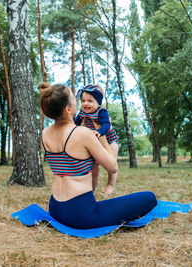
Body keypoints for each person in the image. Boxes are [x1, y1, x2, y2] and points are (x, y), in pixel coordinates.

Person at [38, 81, 157, 229]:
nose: (78, 100)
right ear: (68, 109)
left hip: (55, 209)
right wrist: (101, 134)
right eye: (75, 99)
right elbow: (112, 167)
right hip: (80, 215)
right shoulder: (82, 133)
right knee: (149, 198)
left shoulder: (44, 134)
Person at [74, 84, 119, 196]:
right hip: (95, 143)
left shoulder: (102, 112)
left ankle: (111, 184)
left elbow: (106, 125)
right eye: (83, 100)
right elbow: (75, 123)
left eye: (90, 101)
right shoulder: (82, 113)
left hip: (110, 140)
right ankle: (93, 185)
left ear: (98, 103)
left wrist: (99, 131)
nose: (85, 103)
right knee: (93, 165)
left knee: (112, 162)